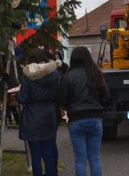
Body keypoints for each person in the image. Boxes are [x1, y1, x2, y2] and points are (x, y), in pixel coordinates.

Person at [57, 47, 111, 176]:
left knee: (80, 160)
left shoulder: (67, 77)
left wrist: (68, 107)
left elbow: (62, 99)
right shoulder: (96, 74)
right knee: (95, 158)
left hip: (76, 119)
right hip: (95, 118)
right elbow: (107, 97)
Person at [16, 48, 61, 176]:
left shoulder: (28, 76)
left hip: (32, 116)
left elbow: (24, 98)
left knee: (36, 155)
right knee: (49, 153)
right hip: (49, 114)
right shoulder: (54, 74)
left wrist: (18, 94)